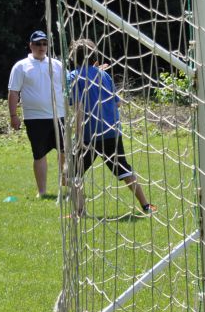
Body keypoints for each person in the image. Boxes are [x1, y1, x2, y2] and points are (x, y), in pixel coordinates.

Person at [67, 39, 156, 215]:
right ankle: (146, 205)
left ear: (72, 57)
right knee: (123, 168)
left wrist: (78, 136)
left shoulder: (73, 77)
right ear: (94, 57)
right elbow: (118, 103)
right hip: (111, 131)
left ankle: (79, 211)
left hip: (89, 135)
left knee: (73, 173)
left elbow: (78, 108)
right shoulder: (104, 75)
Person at [9, 30, 67, 198]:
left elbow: (67, 89)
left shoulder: (58, 65)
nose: (41, 47)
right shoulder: (21, 66)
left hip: (59, 116)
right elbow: (13, 92)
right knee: (39, 154)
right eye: (38, 44)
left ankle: (65, 184)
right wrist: (14, 116)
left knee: (64, 152)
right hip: (34, 118)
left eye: (44, 44)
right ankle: (42, 191)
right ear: (31, 45)